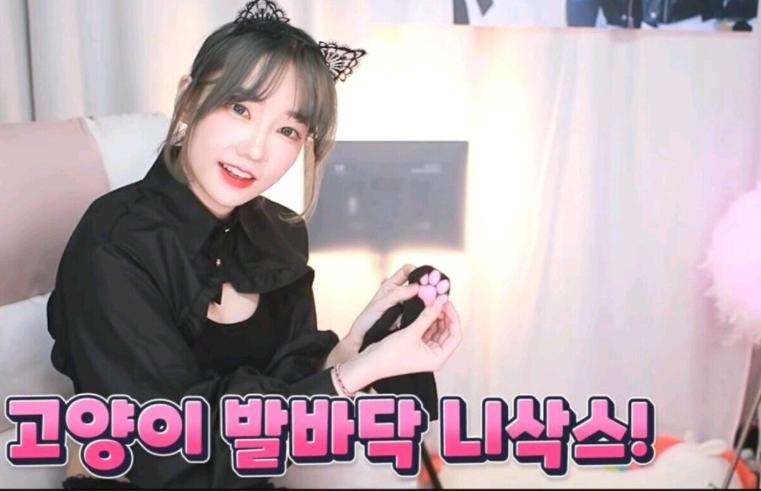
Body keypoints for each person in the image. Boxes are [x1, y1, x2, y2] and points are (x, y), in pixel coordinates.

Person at [46, 0, 463, 488]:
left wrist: (353, 349)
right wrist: (354, 375)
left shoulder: (277, 234)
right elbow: (168, 451)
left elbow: (284, 395)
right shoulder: (113, 245)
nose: (256, 149)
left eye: (287, 130)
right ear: (188, 99)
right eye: (239, 108)